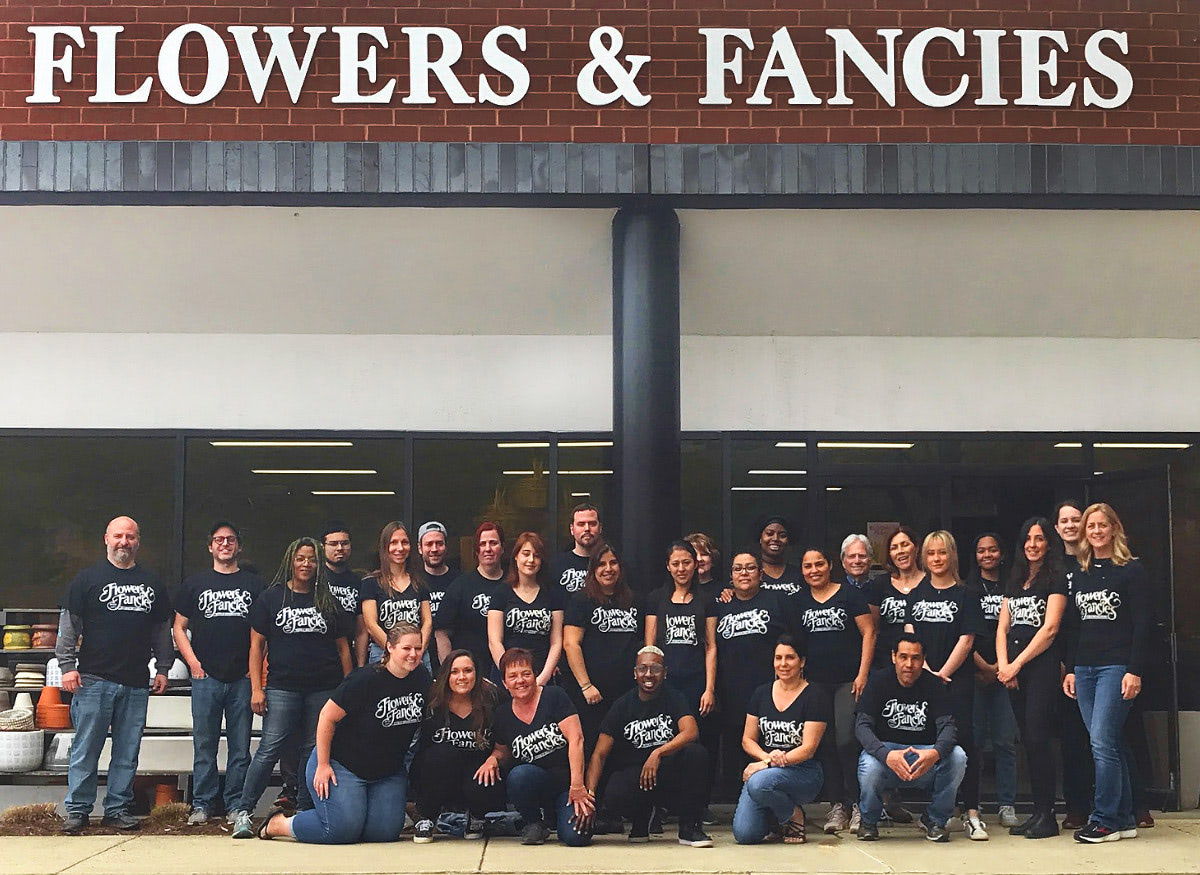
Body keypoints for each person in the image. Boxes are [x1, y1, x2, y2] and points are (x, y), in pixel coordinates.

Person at [257, 623, 430, 843]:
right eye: (406, 648)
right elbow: (327, 717)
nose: (413, 654)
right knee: (341, 830)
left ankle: (358, 812)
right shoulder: (364, 679)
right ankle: (279, 824)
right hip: (342, 765)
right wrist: (323, 764)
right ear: (389, 647)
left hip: (387, 772)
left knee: (383, 833)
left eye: (417, 648)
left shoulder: (421, 678)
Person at [57, 516, 174, 835]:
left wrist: (163, 667)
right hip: (93, 679)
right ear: (106, 539)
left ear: (139, 541)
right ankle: (78, 810)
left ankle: (117, 809)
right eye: (119, 536)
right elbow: (69, 627)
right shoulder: (87, 579)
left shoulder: (152, 583)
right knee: (86, 749)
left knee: (127, 751)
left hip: (136, 681)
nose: (125, 542)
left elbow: (162, 630)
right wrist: (67, 666)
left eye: (131, 536)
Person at [230, 537, 353, 837]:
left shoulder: (327, 600)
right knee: (269, 748)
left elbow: (343, 649)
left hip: (323, 687)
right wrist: (257, 688)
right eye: (301, 558)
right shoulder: (272, 598)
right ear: (290, 560)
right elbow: (256, 646)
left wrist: (348, 689)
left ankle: (303, 808)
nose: (306, 564)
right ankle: (243, 811)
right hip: (282, 686)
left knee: (312, 749)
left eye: (312, 559)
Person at [1062, 502, 1152, 843]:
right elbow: (1074, 627)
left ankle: (1104, 820)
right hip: (1084, 667)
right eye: (1091, 527)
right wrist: (1070, 669)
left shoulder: (1131, 570)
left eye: (1102, 525)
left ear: (1114, 528)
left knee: (1101, 741)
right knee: (1107, 741)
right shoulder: (1080, 573)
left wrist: (1134, 670)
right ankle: (1125, 818)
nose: (1096, 531)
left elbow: (1143, 625)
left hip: (1116, 666)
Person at [173, 521, 265, 825]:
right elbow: (179, 627)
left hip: (242, 678)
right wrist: (193, 664)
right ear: (210, 546)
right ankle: (202, 804)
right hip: (205, 678)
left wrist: (257, 672)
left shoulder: (255, 585)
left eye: (230, 540)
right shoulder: (195, 583)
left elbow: (263, 633)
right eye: (218, 540)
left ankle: (236, 804)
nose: (225, 544)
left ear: (238, 546)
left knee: (240, 748)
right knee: (205, 745)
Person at [584, 646, 713, 846]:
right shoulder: (622, 705)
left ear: (665, 672)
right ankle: (640, 817)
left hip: (669, 773)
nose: (649, 674)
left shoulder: (674, 697)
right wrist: (590, 796)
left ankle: (689, 828)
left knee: (697, 754)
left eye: (655, 668)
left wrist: (658, 752)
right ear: (635, 673)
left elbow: (691, 731)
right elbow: (599, 755)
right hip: (636, 776)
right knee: (614, 795)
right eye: (643, 669)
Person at [907, 530, 985, 839]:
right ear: (924, 558)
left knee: (965, 743)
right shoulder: (915, 595)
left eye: (942, 553)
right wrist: (928, 674)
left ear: (951, 555)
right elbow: (911, 639)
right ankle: (939, 811)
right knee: (932, 746)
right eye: (931, 554)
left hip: (958, 682)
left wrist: (943, 675)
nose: (937, 559)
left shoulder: (967, 595)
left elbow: (967, 641)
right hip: (923, 682)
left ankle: (973, 813)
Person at [855, 633, 968, 843]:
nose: (909, 664)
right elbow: (862, 727)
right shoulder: (878, 681)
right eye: (903, 657)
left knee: (958, 756)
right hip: (886, 758)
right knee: (868, 765)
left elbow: (949, 728)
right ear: (893, 657)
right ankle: (869, 821)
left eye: (915, 658)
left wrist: (934, 753)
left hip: (924, 757)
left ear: (923, 659)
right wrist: (885, 755)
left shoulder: (934, 685)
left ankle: (935, 820)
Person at [792, 546, 874, 835]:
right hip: (814, 685)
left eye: (819, 564)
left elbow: (869, 633)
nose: (813, 570)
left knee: (846, 741)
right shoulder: (799, 600)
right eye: (807, 566)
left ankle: (859, 806)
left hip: (847, 681)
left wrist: (862, 674)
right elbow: (795, 643)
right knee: (824, 745)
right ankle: (837, 805)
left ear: (830, 565)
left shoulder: (849, 595)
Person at [997, 517, 1067, 839]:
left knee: (1039, 739)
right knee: (1027, 741)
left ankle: (1048, 815)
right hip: (1014, 671)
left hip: (1041, 668)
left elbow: (1050, 629)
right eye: (1028, 539)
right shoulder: (1015, 579)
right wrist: (1004, 665)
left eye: (1039, 539)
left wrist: (1017, 664)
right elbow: (1003, 627)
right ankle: (1036, 812)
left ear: (1048, 543)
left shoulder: (1055, 579)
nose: (1033, 545)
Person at [714, 549, 799, 798]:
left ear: (761, 573)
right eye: (738, 568)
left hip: (771, 691)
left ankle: (774, 800)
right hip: (731, 691)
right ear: (730, 576)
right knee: (736, 747)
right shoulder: (721, 606)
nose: (744, 573)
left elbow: (796, 641)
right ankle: (743, 804)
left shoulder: (778, 602)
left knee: (771, 748)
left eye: (750, 568)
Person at [488, 647, 594, 846]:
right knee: (519, 775)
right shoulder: (502, 714)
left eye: (526, 674)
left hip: (568, 784)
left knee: (576, 836)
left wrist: (578, 786)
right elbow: (502, 750)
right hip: (535, 781)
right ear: (504, 683)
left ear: (535, 675)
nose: (520, 680)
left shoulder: (554, 696)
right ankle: (534, 823)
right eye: (513, 676)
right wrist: (493, 758)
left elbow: (576, 739)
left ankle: (558, 815)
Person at [733, 635, 828, 845]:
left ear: (802, 661)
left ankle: (793, 814)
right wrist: (766, 758)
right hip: (766, 772)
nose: (783, 664)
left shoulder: (815, 695)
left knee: (757, 783)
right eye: (778, 658)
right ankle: (776, 817)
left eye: (790, 658)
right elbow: (747, 740)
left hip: (803, 771)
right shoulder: (761, 693)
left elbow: (808, 749)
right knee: (745, 835)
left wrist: (766, 763)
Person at [410, 649, 505, 842]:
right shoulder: (432, 702)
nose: (461, 677)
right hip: (438, 775)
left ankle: (477, 816)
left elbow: (505, 743)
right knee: (442, 754)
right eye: (455, 672)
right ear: (446, 675)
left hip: (475, 776)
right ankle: (427, 815)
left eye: (468, 671)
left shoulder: (492, 699)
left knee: (486, 769)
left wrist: (494, 758)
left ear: (477, 674)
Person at [563, 543, 643, 749]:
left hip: (627, 693)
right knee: (593, 748)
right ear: (593, 570)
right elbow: (571, 644)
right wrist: (586, 685)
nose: (608, 569)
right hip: (593, 695)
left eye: (613, 563)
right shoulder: (581, 600)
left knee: (623, 749)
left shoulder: (634, 600)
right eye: (601, 564)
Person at [966, 532, 1018, 829]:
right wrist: (984, 667)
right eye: (981, 550)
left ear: (1002, 553)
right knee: (973, 742)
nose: (987, 555)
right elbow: (963, 634)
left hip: (1007, 671)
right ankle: (973, 805)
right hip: (974, 672)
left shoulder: (1013, 585)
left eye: (993, 550)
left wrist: (1003, 666)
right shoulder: (967, 587)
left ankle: (1007, 804)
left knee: (1004, 741)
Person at [1054, 498, 1095, 831]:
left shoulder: (1097, 562)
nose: (1070, 525)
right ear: (1057, 527)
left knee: (1107, 737)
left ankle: (1130, 803)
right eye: (1064, 520)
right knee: (1072, 738)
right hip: (1061, 664)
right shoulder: (1053, 565)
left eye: (1075, 519)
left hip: (1097, 659)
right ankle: (1077, 807)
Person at [487, 532, 564, 684]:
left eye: (536, 555)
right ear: (516, 556)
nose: (531, 560)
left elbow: (556, 642)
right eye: (526, 554)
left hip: (542, 673)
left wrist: (542, 678)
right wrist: (509, 675)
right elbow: (494, 641)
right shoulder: (501, 593)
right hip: (508, 675)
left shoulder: (553, 594)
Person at [359, 521, 432, 667]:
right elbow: (371, 625)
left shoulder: (419, 581)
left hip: (417, 655)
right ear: (385, 546)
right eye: (394, 542)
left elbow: (427, 622)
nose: (400, 548)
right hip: (383, 653)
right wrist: (394, 652)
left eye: (404, 542)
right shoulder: (371, 582)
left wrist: (417, 650)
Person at [436, 522, 505, 671]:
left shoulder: (513, 585)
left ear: (502, 548)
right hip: (469, 674)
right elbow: (441, 632)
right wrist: (449, 671)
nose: (488, 549)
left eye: (493, 543)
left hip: (509, 673)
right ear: (476, 550)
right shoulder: (460, 586)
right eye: (483, 544)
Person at [868, 526, 925, 670]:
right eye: (894, 547)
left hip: (923, 663)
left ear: (916, 548)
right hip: (886, 663)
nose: (900, 551)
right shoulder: (880, 584)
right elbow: (873, 630)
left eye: (905, 544)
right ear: (889, 554)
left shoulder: (930, 583)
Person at [417, 521, 455, 670]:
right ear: (420, 548)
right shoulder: (413, 581)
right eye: (429, 544)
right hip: (419, 657)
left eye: (439, 543)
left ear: (446, 547)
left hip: (451, 657)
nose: (434, 549)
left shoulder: (459, 582)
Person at [550, 503, 603, 596]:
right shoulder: (557, 566)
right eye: (581, 524)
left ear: (600, 528)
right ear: (572, 529)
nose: (587, 528)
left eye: (592, 524)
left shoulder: (611, 565)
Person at [756, 516, 802, 595]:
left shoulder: (799, 573)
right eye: (769, 534)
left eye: (782, 535)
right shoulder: (751, 573)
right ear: (760, 538)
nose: (775, 538)